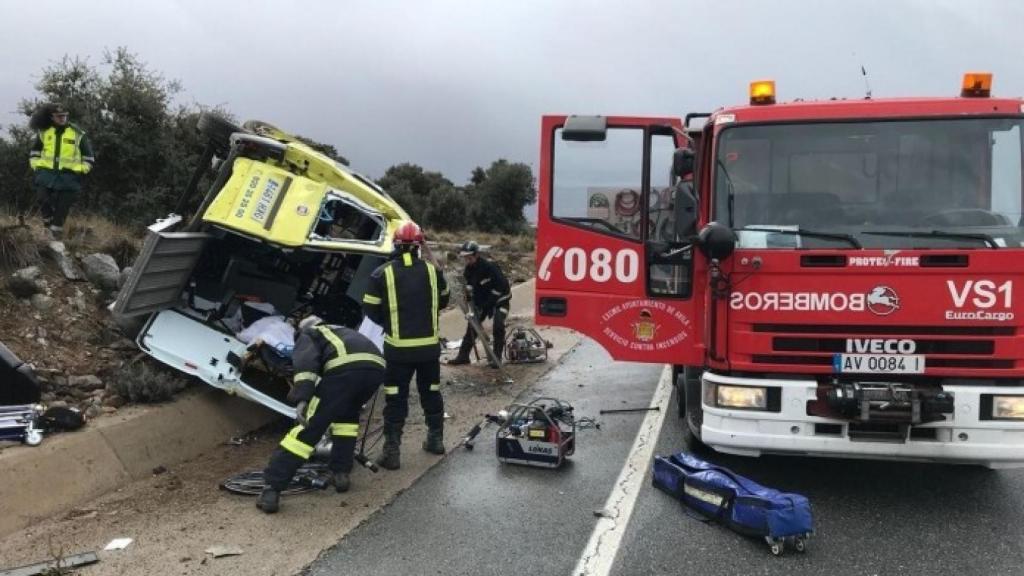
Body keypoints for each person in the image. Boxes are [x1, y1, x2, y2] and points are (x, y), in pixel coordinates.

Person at [257, 315, 384, 514]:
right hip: (375, 370)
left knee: (308, 429)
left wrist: (303, 397)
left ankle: (271, 489)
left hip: (344, 370)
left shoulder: (310, 333)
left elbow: (306, 364)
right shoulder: (342, 330)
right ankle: (341, 474)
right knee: (346, 421)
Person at [361, 222, 449, 470]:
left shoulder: (381, 274)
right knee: (431, 392)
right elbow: (444, 300)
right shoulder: (433, 272)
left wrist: (389, 322)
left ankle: (392, 452)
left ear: (396, 245)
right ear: (419, 246)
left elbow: (369, 307)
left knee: (395, 399)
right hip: (429, 350)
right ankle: (435, 440)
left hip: (398, 351)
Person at [28, 104, 94, 237]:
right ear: (52, 117)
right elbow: (34, 152)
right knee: (42, 199)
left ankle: (55, 235)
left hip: (69, 176)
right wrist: (36, 166)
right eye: (59, 116)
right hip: (46, 173)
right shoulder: (44, 132)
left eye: (64, 116)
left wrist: (81, 170)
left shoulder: (78, 134)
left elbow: (89, 158)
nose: (62, 118)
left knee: (62, 208)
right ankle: (47, 226)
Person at [447, 240, 510, 368]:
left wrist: (488, 304)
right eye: (465, 257)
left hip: (500, 301)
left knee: (498, 325)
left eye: (469, 257)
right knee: (473, 325)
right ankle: (463, 356)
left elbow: (500, 287)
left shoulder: (490, 267)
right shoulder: (469, 270)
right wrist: (469, 298)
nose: (467, 260)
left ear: (476, 255)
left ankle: (496, 358)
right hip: (483, 303)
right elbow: (470, 287)